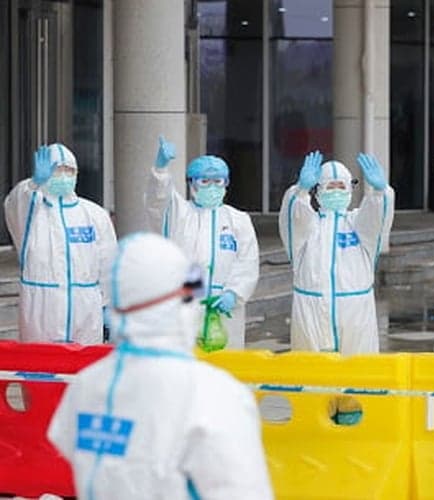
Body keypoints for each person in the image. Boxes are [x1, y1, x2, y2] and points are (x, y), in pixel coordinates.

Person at [47, 233, 273, 499]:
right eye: (193, 288)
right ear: (181, 301)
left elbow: (69, 443)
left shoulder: (88, 383)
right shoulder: (213, 394)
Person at [145, 136, 259, 349]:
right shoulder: (179, 213)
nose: (212, 186)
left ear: (226, 184)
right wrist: (160, 171)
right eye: (204, 181)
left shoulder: (238, 220)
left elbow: (248, 261)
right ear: (192, 184)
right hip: (185, 302)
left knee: (225, 368)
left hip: (224, 307)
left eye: (218, 181)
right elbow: (157, 201)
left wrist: (234, 293)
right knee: (185, 366)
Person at [279, 151, 395, 354]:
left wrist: (380, 191)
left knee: (357, 373)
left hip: (354, 313)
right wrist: (301, 190)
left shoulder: (358, 224)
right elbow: (292, 218)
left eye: (341, 186)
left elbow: (376, 217)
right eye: (329, 186)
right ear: (318, 191)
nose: (336, 191)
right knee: (312, 374)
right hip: (311, 311)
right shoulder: (309, 227)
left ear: (351, 189)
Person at [4, 143, 117, 344]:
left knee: (84, 368)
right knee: (42, 366)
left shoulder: (94, 214)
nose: (64, 176)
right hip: (43, 309)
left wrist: (108, 304)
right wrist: (33, 185)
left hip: (85, 309)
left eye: (69, 170)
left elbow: (108, 262)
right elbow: (14, 204)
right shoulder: (32, 211)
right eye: (57, 170)